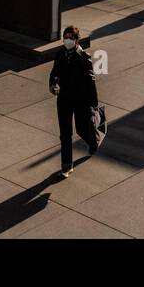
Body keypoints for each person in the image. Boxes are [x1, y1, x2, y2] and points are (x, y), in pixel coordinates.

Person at [48, 25, 99, 178]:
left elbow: (91, 81)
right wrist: (52, 85)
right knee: (65, 133)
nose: (67, 40)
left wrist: (93, 103)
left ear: (76, 40)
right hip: (64, 98)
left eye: (71, 37)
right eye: (66, 37)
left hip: (80, 99)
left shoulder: (83, 57)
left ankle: (92, 142)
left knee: (81, 128)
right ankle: (66, 166)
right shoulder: (59, 54)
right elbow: (54, 72)